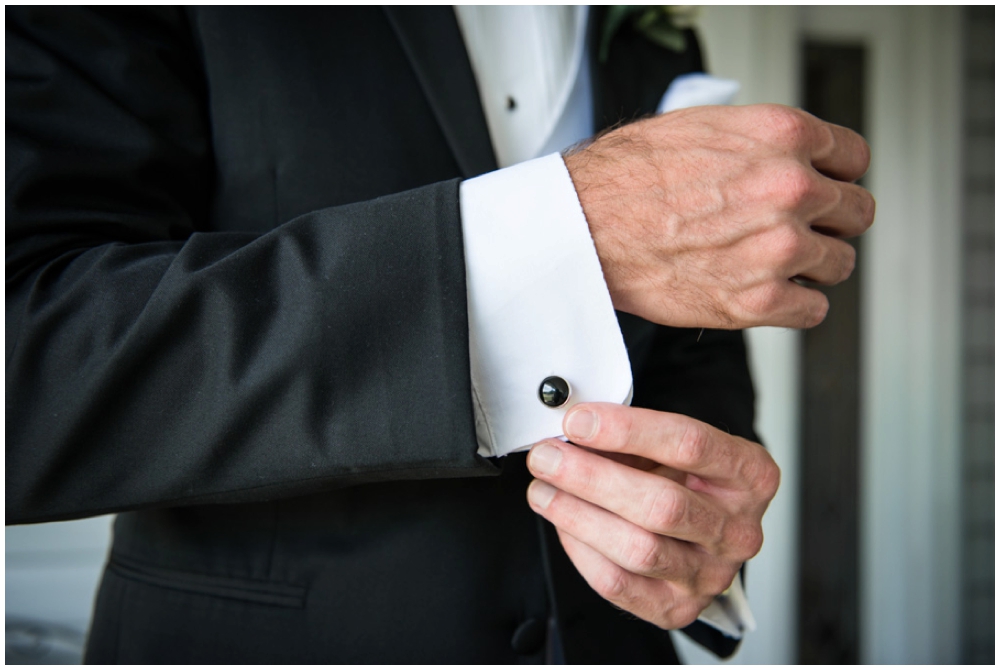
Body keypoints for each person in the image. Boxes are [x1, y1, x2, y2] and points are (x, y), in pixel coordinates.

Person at [5, 6, 873, 663]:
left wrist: (699, 527)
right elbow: (30, 368)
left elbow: (689, 338)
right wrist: (561, 238)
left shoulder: (647, 25)